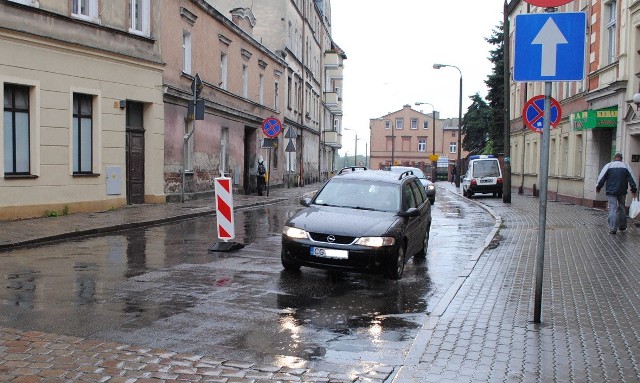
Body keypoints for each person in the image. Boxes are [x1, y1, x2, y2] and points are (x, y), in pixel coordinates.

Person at [596, 153, 638, 234]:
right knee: (622, 207)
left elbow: (602, 178)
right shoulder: (626, 167)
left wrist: (598, 187)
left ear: (614, 158)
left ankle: (613, 228)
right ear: (621, 158)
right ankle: (622, 226)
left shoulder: (609, 166)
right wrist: (633, 190)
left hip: (611, 191)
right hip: (622, 191)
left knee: (613, 208)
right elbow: (631, 179)